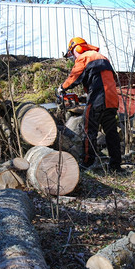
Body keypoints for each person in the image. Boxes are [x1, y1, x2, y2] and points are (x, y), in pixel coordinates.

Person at [57, 37, 123, 172]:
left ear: (77, 48)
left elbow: (74, 76)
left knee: (89, 130)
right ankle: (115, 165)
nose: (73, 57)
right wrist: (85, 96)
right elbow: (101, 81)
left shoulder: (85, 57)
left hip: (98, 99)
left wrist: (62, 88)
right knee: (111, 133)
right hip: (111, 100)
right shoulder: (102, 57)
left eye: (72, 53)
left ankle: (87, 162)